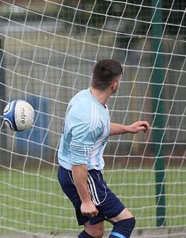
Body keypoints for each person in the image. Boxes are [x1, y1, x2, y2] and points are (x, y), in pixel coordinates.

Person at [57, 59, 150, 238]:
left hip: (70, 172)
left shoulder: (85, 97)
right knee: (125, 222)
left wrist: (128, 129)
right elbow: (78, 163)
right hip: (83, 175)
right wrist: (86, 200)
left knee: (94, 231)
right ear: (115, 84)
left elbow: (102, 128)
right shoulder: (89, 119)